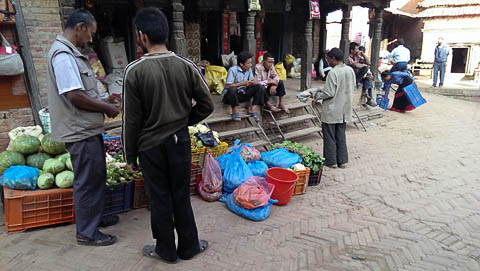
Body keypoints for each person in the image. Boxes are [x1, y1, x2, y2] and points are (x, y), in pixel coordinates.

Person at [122, 7, 213, 263]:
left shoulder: (134, 71)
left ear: (142, 36)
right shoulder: (186, 65)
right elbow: (207, 105)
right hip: (180, 142)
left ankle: (165, 250)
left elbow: (131, 120)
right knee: (181, 195)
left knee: (159, 198)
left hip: (150, 147)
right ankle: (189, 246)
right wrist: (185, 121)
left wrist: (130, 156)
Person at [46, 9, 120, 246]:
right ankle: (87, 232)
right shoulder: (63, 55)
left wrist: (104, 101)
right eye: (90, 33)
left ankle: (94, 218)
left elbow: (81, 92)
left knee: (96, 176)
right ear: (80, 27)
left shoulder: (71, 53)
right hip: (79, 130)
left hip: (86, 129)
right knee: (87, 180)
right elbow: (74, 96)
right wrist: (105, 109)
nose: (91, 39)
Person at [297, 48, 355, 169]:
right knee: (340, 135)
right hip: (345, 108)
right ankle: (342, 161)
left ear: (334, 59)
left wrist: (315, 95)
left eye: (328, 58)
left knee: (329, 136)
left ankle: (331, 161)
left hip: (332, 109)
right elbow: (351, 87)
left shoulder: (333, 73)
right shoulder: (350, 70)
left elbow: (329, 92)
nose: (327, 61)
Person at [222, 51, 265, 121]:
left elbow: (252, 80)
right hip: (230, 97)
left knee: (259, 87)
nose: (251, 65)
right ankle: (234, 111)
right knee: (232, 89)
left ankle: (252, 109)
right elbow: (227, 86)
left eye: (251, 63)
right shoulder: (232, 70)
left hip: (242, 94)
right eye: (248, 63)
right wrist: (242, 83)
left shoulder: (249, 70)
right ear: (241, 64)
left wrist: (253, 82)